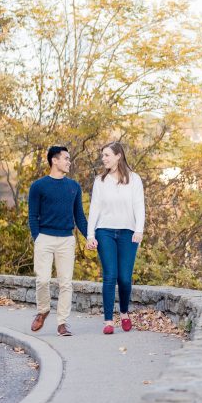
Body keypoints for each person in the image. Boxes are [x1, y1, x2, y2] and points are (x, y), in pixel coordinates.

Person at [28, 145, 88, 336]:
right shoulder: (38, 186)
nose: (69, 162)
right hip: (44, 238)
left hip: (66, 240)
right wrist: (37, 238)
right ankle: (43, 310)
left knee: (66, 283)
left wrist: (90, 237)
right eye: (66, 158)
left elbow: (79, 216)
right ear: (54, 160)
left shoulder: (74, 187)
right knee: (43, 280)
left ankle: (62, 323)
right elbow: (32, 216)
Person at [85, 141, 144, 333]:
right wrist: (90, 234)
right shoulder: (100, 181)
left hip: (128, 232)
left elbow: (139, 206)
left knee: (125, 278)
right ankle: (108, 321)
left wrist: (139, 229)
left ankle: (124, 312)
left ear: (118, 156)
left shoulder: (134, 179)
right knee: (110, 276)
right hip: (105, 231)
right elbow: (95, 208)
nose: (103, 159)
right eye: (102, 156)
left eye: (107, 155)